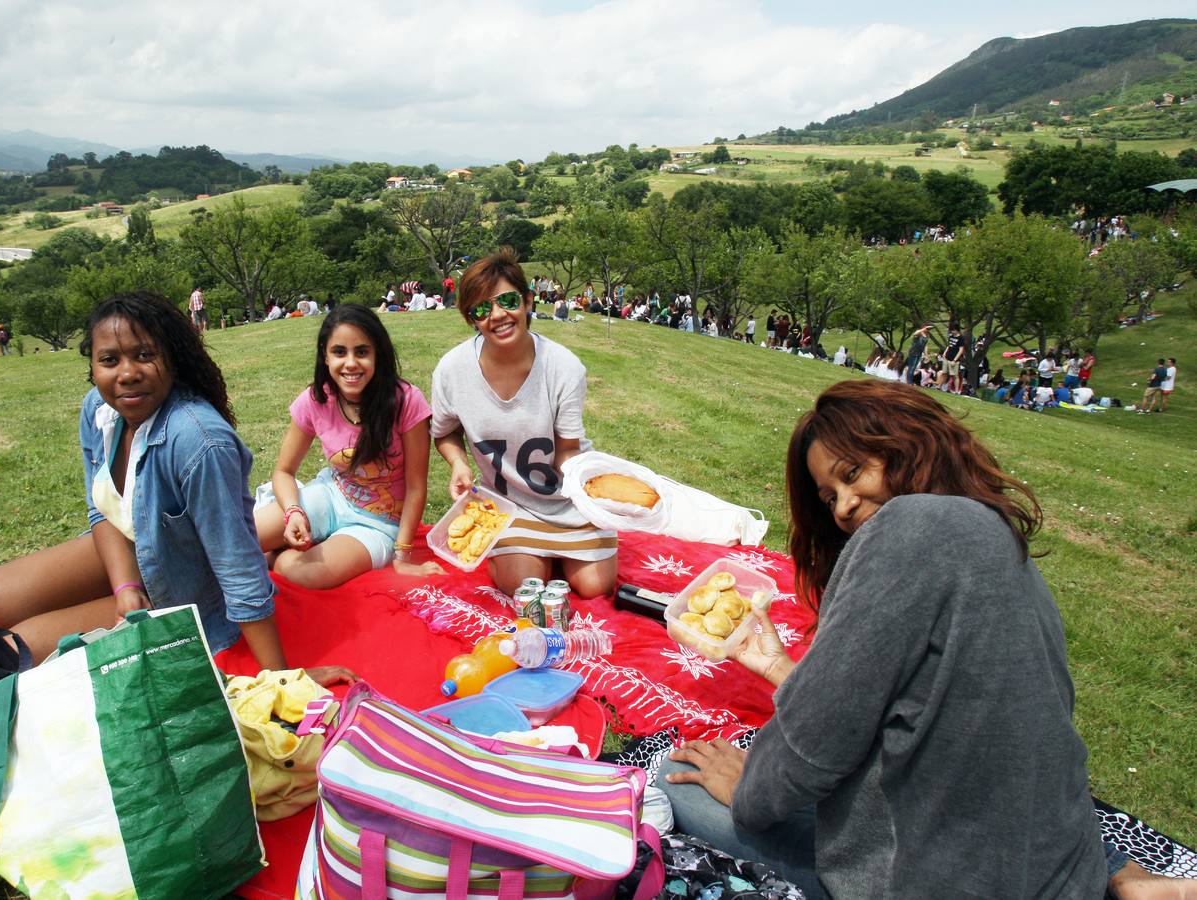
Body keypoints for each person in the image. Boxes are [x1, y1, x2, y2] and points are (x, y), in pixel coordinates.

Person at [657, 380, 1188, 900]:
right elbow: (922, 707)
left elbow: (816, 744)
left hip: (940, 873)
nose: (842, 507)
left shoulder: (907, 528)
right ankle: (1123, 874)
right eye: (829, 496)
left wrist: (748, 793)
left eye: (852, 473)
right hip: (1055, 852)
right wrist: (779, 667)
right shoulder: (993, 530)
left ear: (907, 444)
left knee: (677, 772)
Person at [0, 292, 349, 681]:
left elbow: (236, 564)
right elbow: (100, 509)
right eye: (110, 360)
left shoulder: (199, 440)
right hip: (127, 555)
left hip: (181, 590)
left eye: (144, 355)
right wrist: (125, 586)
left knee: (6, 654)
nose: (127, 373)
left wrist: (280, 676)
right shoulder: (100, 411)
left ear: (172, 358)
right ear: (93, 366)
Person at [431, 247, 617, 598]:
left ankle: (554, 552)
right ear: (471, 318)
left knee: (595, 587)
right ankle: (522, 552)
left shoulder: (564, 368)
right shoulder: (451, 371)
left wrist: (597, 488)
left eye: (507, 301)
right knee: (522, 586)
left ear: (529, 301)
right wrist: (458, 462)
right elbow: (444, 432)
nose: (497, 315)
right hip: (508, 505)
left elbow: (566, 452)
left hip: (567, 500)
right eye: (482, 309)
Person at [254, 305, 444, 588]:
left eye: (362, 352)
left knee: (305, 575)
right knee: (241, 538)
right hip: (331, 496)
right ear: (325, 355)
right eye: (339, 352)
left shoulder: (406, 400)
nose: (351, 363)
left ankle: (276, 557)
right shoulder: (315, 399)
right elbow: (283, 471)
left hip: (377, 525)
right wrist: (293, 511)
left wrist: (402, 556)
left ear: (377, 353)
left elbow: (416, 486)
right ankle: (294, 540)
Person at [937, 324, 963, 392]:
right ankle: (939, 386)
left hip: (954, 360)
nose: (952, 331)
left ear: (957, 330)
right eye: (951, 330)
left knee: (955, 375)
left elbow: (961, 350)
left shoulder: (961, 338)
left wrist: (955, 360)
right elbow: (949, 346)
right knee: (944, 373)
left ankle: (957, 391)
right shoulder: (951, 336)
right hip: (947, 357)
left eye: (953, 330)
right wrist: (945, 353)